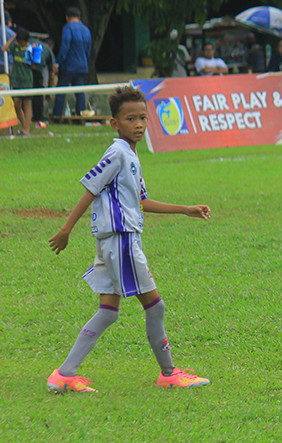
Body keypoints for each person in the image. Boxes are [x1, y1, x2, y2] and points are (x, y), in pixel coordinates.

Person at [46, 85, 211, 394]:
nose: (138, 124)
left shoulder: (131, 155)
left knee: (108, 311)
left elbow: (141, 201)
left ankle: (64, 374)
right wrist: (66, 229)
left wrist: (184, 209)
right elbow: (90, 190)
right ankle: (169, 372)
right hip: (121, 240)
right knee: (155, 305)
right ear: (114, 123)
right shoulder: (117, 153)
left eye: (142, 118)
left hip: (114, 242)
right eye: (130, 118)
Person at [52, 7, 91, 119]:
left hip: (69, 65)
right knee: (79, 91)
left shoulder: (68, 28)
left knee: (61, 90)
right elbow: (88, 50)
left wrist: (58, 62)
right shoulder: (86, 30)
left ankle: (57, 114)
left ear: (67, 17)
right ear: (79, 17)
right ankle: (80, 114)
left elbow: (65, 47)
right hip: (82, 65)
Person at [1, 27, 35, 135]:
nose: (21, 44)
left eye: (22, 42)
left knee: (27, 104)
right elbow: (4, 48)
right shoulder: (15, 47)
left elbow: (34, 66)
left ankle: (26, 129)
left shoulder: (30, 50)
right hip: (16, 79)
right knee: (16, 104)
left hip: (27, 80)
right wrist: (14, 37)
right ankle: (25, 125)